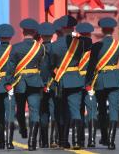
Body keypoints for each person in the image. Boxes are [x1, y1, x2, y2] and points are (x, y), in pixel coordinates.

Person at [86, 17, 119, 150]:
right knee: (113, 110)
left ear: (101, 30)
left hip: (101, 80)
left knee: (101, 109)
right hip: (115, 78)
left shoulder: (96, 45)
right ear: (113, 30)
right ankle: (111, 142)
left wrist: (88, 81)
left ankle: (104, 136)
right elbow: (118, 62)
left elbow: (91, 66)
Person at [8, 18, 44, 151]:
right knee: (35, 111)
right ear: (34, 32)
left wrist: (8, 82)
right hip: (35, 81)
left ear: (23, 31)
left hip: (20, 83)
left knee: (20, 110)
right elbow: (42, 66)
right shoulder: (40, 48)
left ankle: (23, 130)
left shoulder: (15, 48)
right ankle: (32, 142)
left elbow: (10, 67)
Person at [50, 15, 85, 149]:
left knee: (61, 111)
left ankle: (63, 141)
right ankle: (76, 141)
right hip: (76, 79)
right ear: (72, 27)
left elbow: (51, 64)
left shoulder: (55, 46)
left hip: (60, 81)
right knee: (75, 110)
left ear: (62, 28)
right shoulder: (81, 43)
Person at [76, 22, 97, 148]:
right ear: (89, 34)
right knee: (92, 111)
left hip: (77, 82)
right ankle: (92, 140)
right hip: (91, 82)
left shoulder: (73, 49)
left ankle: (80, 139)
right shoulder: (96, 49)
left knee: (78, 111)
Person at [38, 22, 55, 148]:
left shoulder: (36, 49)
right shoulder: (57, 48)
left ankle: (43, 141)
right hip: (54, 85)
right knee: (54, 112)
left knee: (43, 113)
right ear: (52, 34)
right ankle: (53, 139)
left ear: (41, 35)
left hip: (39, 86)